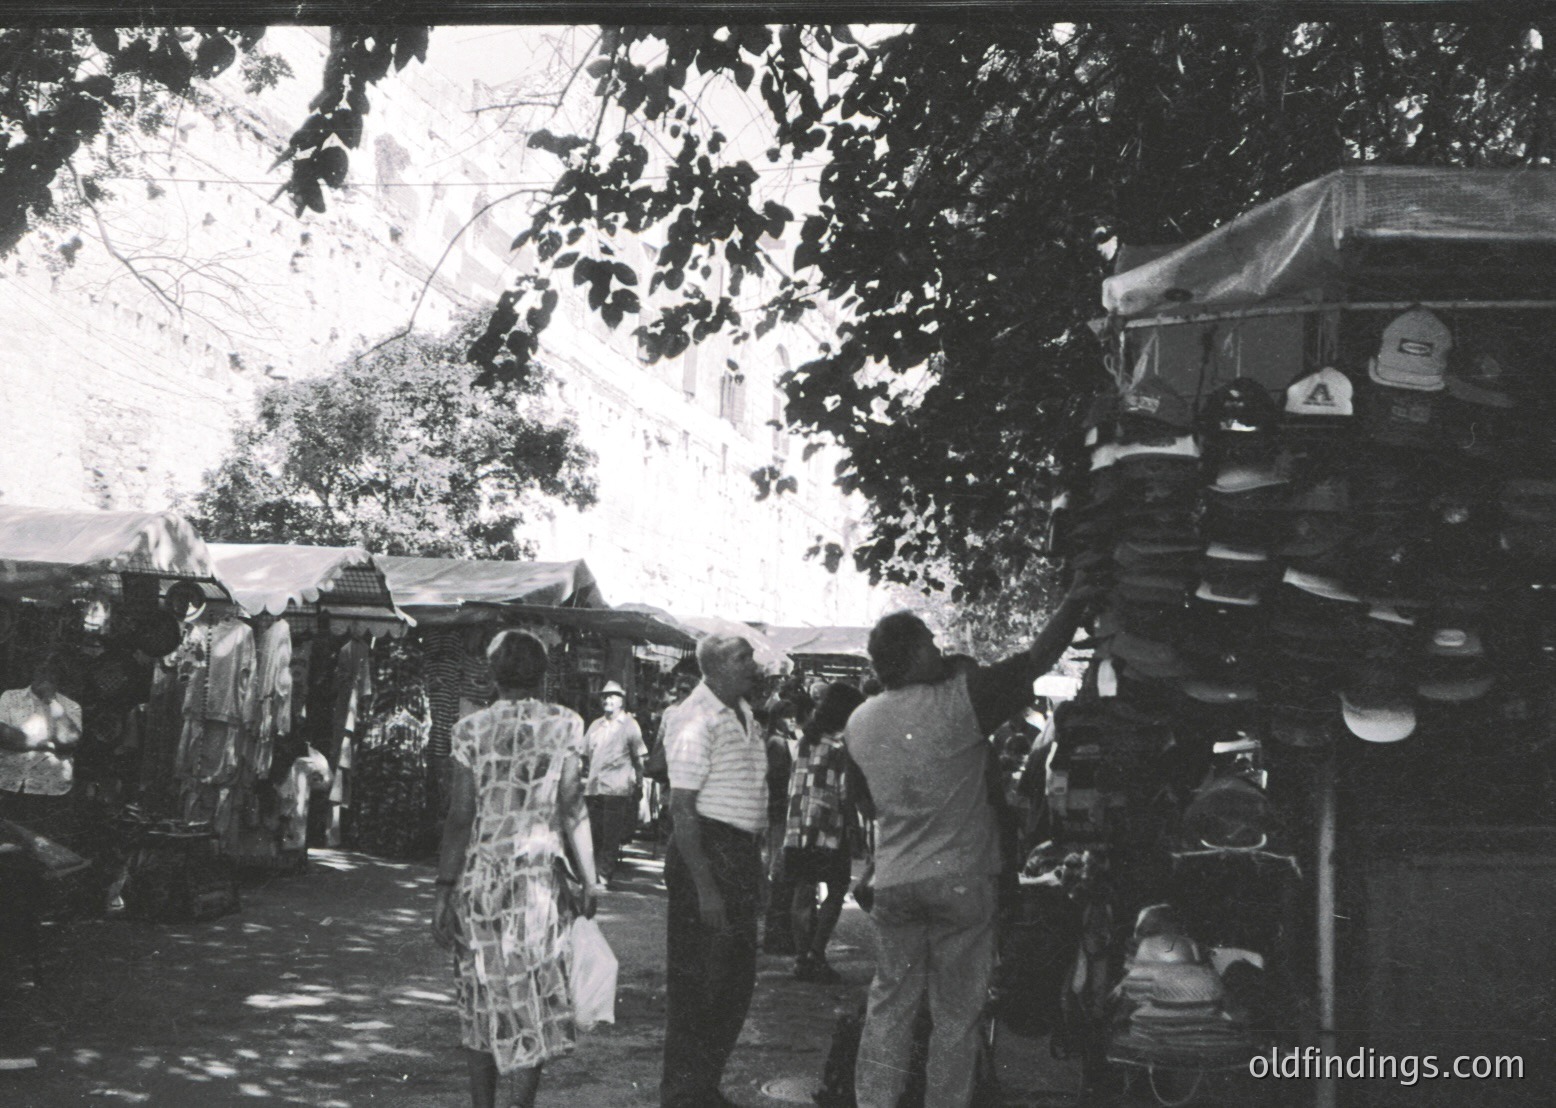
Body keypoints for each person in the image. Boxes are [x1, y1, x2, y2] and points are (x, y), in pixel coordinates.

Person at [846, 584, 1094, 1108]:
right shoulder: (960, 701)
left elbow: (865, 802)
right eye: (931, 644)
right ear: (913, 654)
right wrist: (1075, 600)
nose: (939, 650)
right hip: (961, 879)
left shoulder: (859, 721)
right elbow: (1036, 659)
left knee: (889, 1006)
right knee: (956, 1015)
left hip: (895, 881)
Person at [432, 630, 599, 1108]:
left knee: (480, 994)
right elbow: (572, 809)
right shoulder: (567, 724)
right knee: (533, 995)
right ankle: (521, 1103)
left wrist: (443, 890)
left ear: (493, 673)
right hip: (538, 887)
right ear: (543, 673)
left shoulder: (470, 729)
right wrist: (589, 880)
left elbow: (460, 817)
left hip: (481, 884)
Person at [660, 634, 766, 1108]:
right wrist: (705, 888)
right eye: (743, 658)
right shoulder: (694, 717)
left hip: (739, 853)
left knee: (733, 983)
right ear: (716, 666)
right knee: (698, 983)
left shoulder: (742, 715)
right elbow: (682, 810)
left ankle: (704, 1086)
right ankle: (683, 1095)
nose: (753, 665)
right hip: (707, 850)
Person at [784, 681, 867, 983]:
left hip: (798, 826)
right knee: (836, 889)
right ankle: (816, 955)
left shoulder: (804, 740)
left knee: (803, 891)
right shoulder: (842, 746)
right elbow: (846, 792)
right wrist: (855, 828)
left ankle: (801, 957)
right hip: (829, 826)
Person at [0, 658, 83, 846]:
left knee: (42, 848)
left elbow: (68, 740)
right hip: (7, 783)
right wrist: (47, 745)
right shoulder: (9, 698)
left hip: (49, 789)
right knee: (6, 846)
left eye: (52, 673)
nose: (45, 677)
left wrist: (51, 701)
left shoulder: (70, 707)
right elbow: (4, 735)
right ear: (32, 673)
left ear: (59, 679)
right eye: (41, 671)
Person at [582, 679, 645, 889]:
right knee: (593, 834)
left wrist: (639, 784)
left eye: (612, 696)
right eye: (605, 696)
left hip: (616, 789)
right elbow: (584, 755)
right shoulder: (595, 725)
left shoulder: (630, 725)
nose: (607, 699)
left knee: (610, 836)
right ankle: (592, 874)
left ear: (621, 701)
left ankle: (604, 875)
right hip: (594, 787)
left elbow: (639, 758)